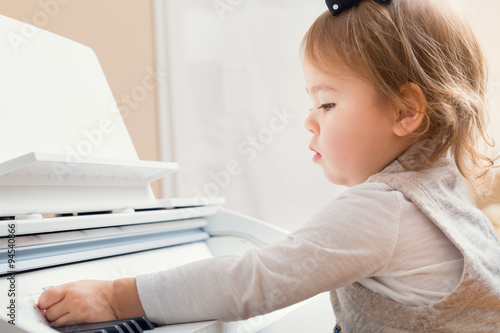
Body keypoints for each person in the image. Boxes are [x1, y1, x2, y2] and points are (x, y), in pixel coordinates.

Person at [38, 0, 500, 331]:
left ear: (406, 111)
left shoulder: (385, 211)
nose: (309, 120)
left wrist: (114, 295)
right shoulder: (446, 185)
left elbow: (253, 280)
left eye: (327, 103)